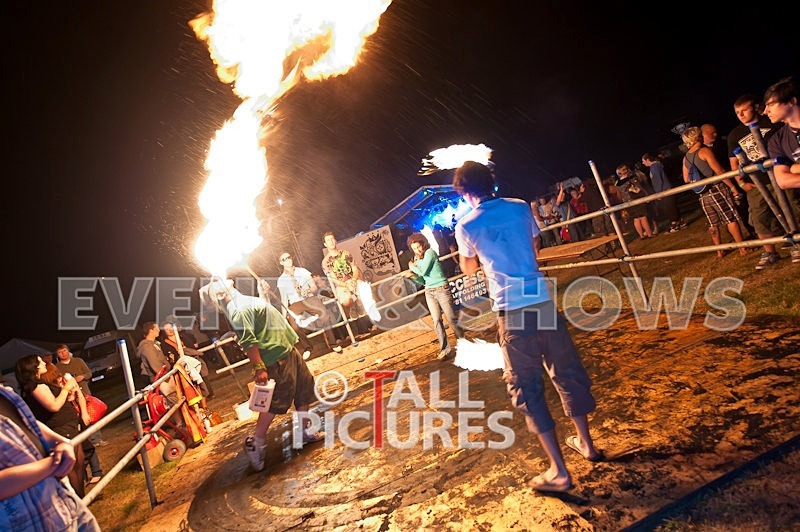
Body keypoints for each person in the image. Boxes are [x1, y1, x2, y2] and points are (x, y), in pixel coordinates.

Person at [453, 161, 600, 493]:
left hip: (512, 310)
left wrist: (478, 256)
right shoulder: (519, 207)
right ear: (490, 182)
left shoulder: (467, 225)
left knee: (526, 386)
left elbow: (469, 269)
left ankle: (559, 471)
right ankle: (587, 444)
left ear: (465, 192)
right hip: (540, 299)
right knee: (566, 371)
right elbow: (535, 245)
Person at [200, 278, 324, 472]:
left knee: (303, 389)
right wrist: (259, 368)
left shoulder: (243, 301)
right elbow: (249, 341)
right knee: (275, 402)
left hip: (287, 349)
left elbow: (261, 319)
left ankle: (305, 431)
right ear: (221, 294)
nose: (221, 279)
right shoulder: (238, 310)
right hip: (276, 358)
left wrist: (263, 293)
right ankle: (256, 442)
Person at [0, 384, 100, 531]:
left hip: (65, 505)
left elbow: (29, 424)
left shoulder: (5, 394)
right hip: (28, 522)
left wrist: (59, 442)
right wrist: (52, 465)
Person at [15, 355, 92, 497]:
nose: (44, 363)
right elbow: (54, 406)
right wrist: (66, 388)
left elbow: (56, 401)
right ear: (33, 367)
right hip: (61, 428)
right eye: (40, 362)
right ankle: (79, 500)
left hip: (68, 425)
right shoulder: (36, 387)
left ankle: (81, 498)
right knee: (72, 466)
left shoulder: (39, 384)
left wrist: (68, 394)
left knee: (79, 462)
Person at [727, 93, 788, 269]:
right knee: (759, 217)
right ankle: (770, 252)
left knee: (791, 209)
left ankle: (795, 243)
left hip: (780, 175)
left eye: (744, 110)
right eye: (737, 112)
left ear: (755, 107)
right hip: (756, 182)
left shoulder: (772, 122)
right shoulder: (735, 134)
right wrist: (740, 183)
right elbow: (734, 163)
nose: (740, 115)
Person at [681, 126, 749, 258]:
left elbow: (686, 179)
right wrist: (732, 187)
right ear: (698, 137)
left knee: (713, 223)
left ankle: (719, 251)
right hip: (716, 188)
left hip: (703, 194)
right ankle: (742, 248)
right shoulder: (704, 151)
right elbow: (719, 171)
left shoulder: (686, 157)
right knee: (730, 218)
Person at [404, 232, 465, 359]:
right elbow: (423, 280)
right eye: (414, 248)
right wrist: (413, 277)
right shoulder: (417, 259)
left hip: (442, 288)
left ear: (423, 244)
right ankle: (445, 349)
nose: (417, 250)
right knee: (436, 320)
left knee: (451, 318)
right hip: (429, 291)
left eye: (418, 247)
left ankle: (464, 344)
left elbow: (423, 271)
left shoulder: (430, 253)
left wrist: (412, 267)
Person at [276, 252, 343, 359]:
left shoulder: (303, 271)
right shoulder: (281, 280)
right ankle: (307, 347)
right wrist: (284, 316)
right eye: (284, 259)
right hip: (295, 303)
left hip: (309, 298)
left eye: (288, 257)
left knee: (324, 315)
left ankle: (333, 343)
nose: (287, 260)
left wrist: (307, 290)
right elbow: (284, 299)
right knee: (294, 327)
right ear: (281, 263)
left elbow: (314, 287)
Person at [321, 231, 372, 336]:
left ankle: (368, 324)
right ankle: (356, 328)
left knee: (365, 293)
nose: (331, 242)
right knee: (347, 301)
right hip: (341, 285)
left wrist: (353, 280)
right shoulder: (326, 262)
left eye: (332, 239)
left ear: (335, 241)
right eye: (328, 240)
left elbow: (355, 268)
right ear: (325, 244)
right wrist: (346, 285)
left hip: (353, 281)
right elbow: (333, 278)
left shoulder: (346, 253)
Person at [161, 321, 214, 403]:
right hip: (181, 365)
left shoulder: (182, 336)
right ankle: (198, 402)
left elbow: (192, 346)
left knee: (201, 377)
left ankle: (207, 395)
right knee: (191, 382)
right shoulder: (164, 343)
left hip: (192, 360)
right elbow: (169, 356)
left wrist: (186, 349)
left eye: (170, 327)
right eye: (167, 329)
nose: (170, 330)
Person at [764, 77, 800, 190]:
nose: (766, 111)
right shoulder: (776, 140)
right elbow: (783, 181)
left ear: (792, 102)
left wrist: (795, 169)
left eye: (771, 104)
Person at [642, 152, 685, 233]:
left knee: (669, 208)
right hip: (666, 189)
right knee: (672, 207)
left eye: (643, 161)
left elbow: (658, 180)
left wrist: (659, 193)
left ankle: (674, 225)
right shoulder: (657, 165)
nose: (643, 163)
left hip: (664, 190)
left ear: (648, 160)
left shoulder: (654, 167)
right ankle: (681, 222)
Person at [615, 163, 653, 239]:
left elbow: (619, 195)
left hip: (627, 203)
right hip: (637, 199)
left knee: (636, 219)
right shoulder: (632, 179)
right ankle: (649, 234)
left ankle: (641, 236)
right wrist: (646, 196)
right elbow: (640, 188)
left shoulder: (617, 183)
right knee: (643, 217)